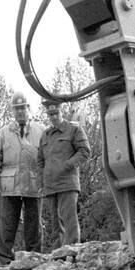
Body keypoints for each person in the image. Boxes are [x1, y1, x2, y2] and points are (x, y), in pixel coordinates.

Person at [0, 91, 44, 263]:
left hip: (34, 183)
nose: (20, 111)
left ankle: (34, 259)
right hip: (9, 185)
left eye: (22, 108)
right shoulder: (3, 133)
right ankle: (4, 261)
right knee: (7, 225)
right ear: (12, 111)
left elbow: (47, 157)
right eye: (16, 108)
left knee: (34, 225)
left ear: (29, 108)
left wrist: (46, 180)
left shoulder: (41, 131)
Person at [36, 99, 91, 250]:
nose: (53, 117)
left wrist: (67, 165)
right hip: (50, 186)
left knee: (69, 220)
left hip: (67, 183)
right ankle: (57, 254)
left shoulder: (74, 130)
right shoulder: (45, 135)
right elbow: (40, 161)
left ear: (61, 111)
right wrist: (41, 182)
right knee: (55, 224)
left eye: (56, 113)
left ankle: (73, 251)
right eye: (50, 114)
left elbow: (85, 151)